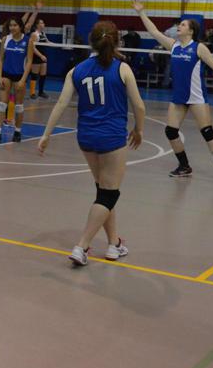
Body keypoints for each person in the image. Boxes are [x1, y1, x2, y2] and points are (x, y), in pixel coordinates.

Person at [38, 21, 145, 267]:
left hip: (86, 137)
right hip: (111, 138)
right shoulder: (122, 69)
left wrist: (46, 135)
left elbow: (61, 103)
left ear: (91, 42)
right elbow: (139, 105)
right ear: (116, 41)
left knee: (104, 191)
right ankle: (82, 246)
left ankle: (114, 244)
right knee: (109, 194)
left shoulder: (76, 70)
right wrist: (138, 130)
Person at [133, 0, 213, 185]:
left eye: (183, 25)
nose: (179, 26)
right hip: (179, 97)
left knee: (207, 132)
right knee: (170, 131)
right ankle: (184, 166)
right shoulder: (173, 45)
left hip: (197, 97)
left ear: (191, 31)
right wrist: (140, 11)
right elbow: (153, 31)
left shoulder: (199, 48)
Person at [0, 15, 37, 145]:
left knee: (18, 106)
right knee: (2, 103)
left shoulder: (28, 41)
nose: (12, 28)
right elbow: (0, 59)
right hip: (6, 74)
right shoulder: (5, 39)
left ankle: (17, 131)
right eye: (10, 25)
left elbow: (29, 61)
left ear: (20, 26)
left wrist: (23, 80)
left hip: (19, 76)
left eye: (15, 25)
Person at [29, 18, 50, 99]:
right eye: (41, 23)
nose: (43, 24)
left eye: (43, 23)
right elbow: (32, 47)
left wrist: (60, 45)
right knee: (34, 75)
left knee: (43, 75)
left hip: (43, 57)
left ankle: (41, 92)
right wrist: (40, 55)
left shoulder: (43, 33)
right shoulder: (34, 34)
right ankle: (32, 93)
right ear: (37, 25)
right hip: (37, 57)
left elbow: (48, 42)